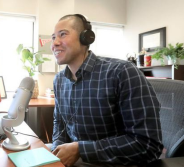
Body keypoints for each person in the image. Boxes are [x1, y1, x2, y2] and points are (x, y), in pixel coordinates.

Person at [50, 14, 163, 167]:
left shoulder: (122, 72)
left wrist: (81, 150)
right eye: (53, 37)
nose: (54, 43)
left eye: (62, 34)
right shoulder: (59, 80)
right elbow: (60, 124)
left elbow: (147, 145)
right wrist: (57, 148)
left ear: (86, 38)